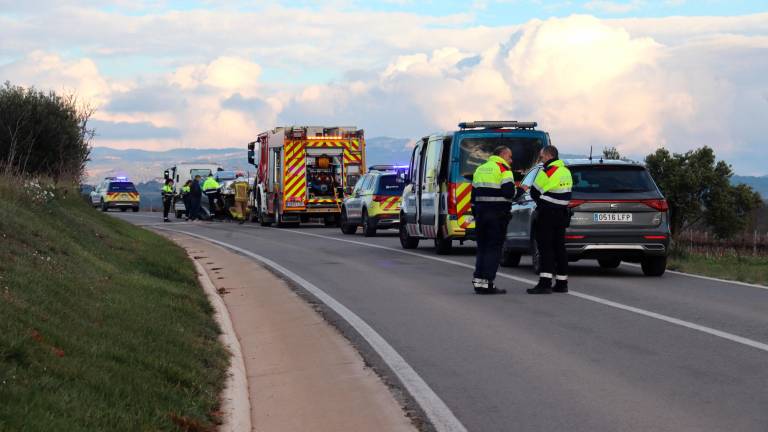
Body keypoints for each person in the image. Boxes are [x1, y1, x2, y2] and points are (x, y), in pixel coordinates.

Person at [527, 145, 573, 294]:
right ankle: (562, 283)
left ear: (548, 156)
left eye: (542, 157)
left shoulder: (548, 171)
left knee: (545, 249)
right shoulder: (566, 171)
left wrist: (542, 203)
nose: (541, 159)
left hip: (547, 214)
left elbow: (534, 191)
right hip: (561, 214)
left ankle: (545, 283)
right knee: (560, 248)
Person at [471, 146, 516, 295]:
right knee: (494, 249)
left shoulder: (480, 169)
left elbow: (473, 196)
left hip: (480, 214)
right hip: (497, 215)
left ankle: (478, 282)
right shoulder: (503, 169)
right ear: (502, 155)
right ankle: (488, 283)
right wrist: (518, 191)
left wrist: (477, 213)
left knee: (482, 248)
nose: (511, 160)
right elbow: (509, 193)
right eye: (509, 157)